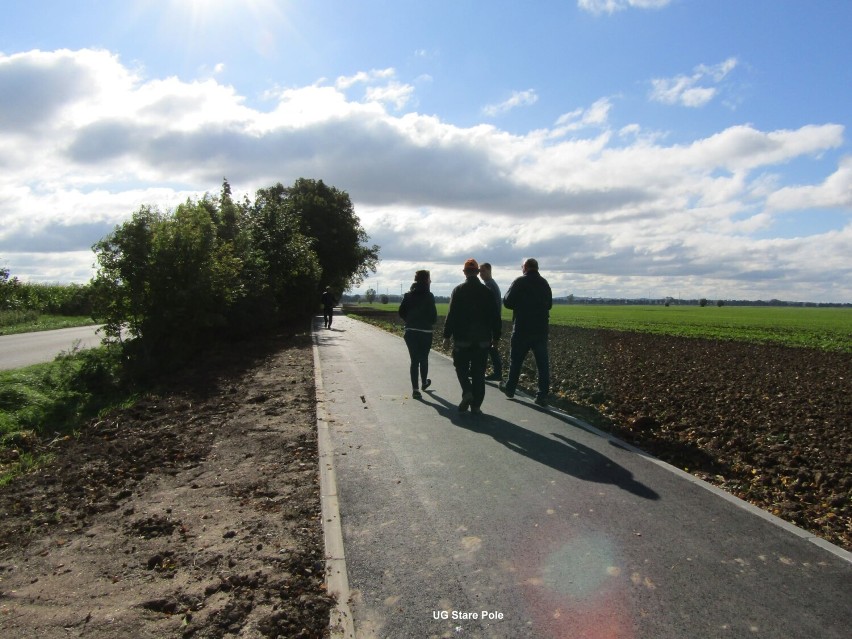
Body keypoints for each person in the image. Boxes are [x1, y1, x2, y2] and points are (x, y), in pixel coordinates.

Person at [443, 258, 501, 414]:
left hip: (462, 339)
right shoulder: (487, 292)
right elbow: (495, 316)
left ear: (464, 272)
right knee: (479, 373)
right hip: (482, 340)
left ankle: (467, 392)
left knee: (460, 368)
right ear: (477, 272)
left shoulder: (458, 290)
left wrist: (446, 336)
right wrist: (496, 337)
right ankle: (476, 406)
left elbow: (451, 315)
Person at [501, 258, 553, 407]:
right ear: (537, 268)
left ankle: (510, 388)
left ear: (525, 268)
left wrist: (521, 304)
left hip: (522, 328)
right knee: (542, 364)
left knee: (516, 361)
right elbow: (549, 304)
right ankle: (542, 395)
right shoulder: (544, 283)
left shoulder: (519, 282)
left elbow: (507, 301)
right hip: (540, 329)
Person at [398, 270, 438, 399]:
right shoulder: (429, 296)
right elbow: (433, 317)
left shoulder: (408, 295)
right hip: (425, 331)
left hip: (410, 331)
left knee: (414, 361)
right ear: (427, 280)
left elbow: (401, 312)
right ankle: (424, 382)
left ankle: (415, 389)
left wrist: (409, 321)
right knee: (424, 358)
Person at [478, 262, 503, 381]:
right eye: (480, 271)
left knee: (490, 348)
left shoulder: (490, 285)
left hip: (491, 322)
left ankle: (497, 373)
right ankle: (496, 372)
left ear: (489, 271)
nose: (480, 274)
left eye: (483, 271)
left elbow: (494, 307)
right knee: (491, 349)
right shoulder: (490, 284)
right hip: (492, 322)